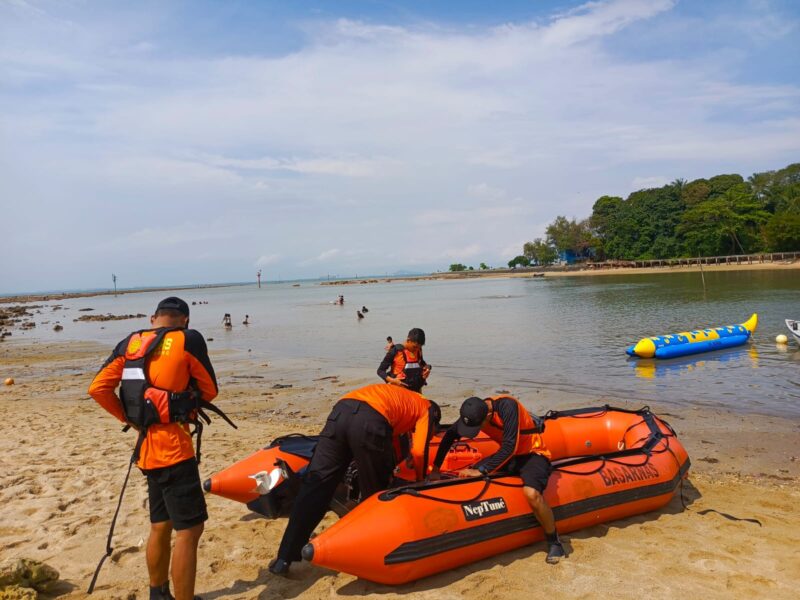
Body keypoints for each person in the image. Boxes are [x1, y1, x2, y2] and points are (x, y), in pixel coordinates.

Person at [88, 297, 221, 600]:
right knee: (189, 531)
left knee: (160, 525)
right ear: (185, 320)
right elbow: (210, 390)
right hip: (175, 449)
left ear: (153, 319)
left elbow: (98, 388)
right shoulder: (189, 339)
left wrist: (131, 419)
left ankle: (157, 594)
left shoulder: (130, 343)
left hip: (146, 448)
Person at [268, 383, 439, 575]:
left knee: (315, 487)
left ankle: (284, 558)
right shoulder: (427, 408)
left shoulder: (405, 399)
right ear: (435, 420)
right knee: (375, 495)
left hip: (341, 411)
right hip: (371, 420)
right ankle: (372, 552)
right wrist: (421, 478)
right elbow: (419, 451)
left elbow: (391, 447)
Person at [429, 395, 565, 564]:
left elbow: (510, 447)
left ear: (487, 416)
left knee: (531, 494)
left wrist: (482, 470)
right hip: (510, 456)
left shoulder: (507, 407)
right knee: (467, 474)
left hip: (532, 454)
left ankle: (554, 541)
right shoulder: (475, 411)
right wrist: (435, 469)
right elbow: (449, 436)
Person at [377, 327, 430, 393]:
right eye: (415, 347)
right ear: (408, 340)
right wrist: (392, 380)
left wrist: (427, 368)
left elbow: (421, 362)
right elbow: (380, 371)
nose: (417, 349)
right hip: (399, 391)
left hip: (416, 390)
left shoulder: (418, 350)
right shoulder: (395, 351)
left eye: (419, 347)